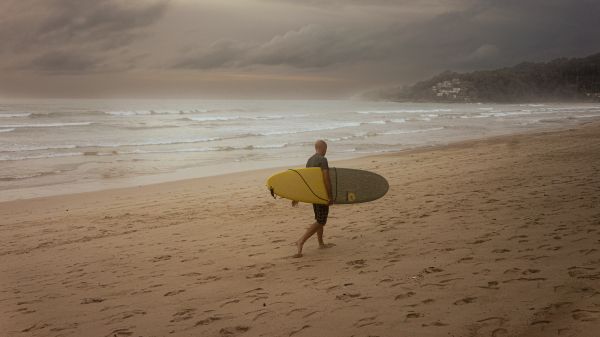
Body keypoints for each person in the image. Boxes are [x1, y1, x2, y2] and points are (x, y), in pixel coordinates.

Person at [292, 139, 334, 258]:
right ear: (323, 148)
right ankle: (301, 240)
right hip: (322, 194)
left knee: (319, 218)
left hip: (313, 195)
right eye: (326, 149)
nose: (326, 151)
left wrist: (297, 196)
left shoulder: (309, 160)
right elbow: (326, 179)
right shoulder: (323, 160)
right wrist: (330, 195)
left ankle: (321, 243)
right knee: (321, 221)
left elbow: (307, 180)